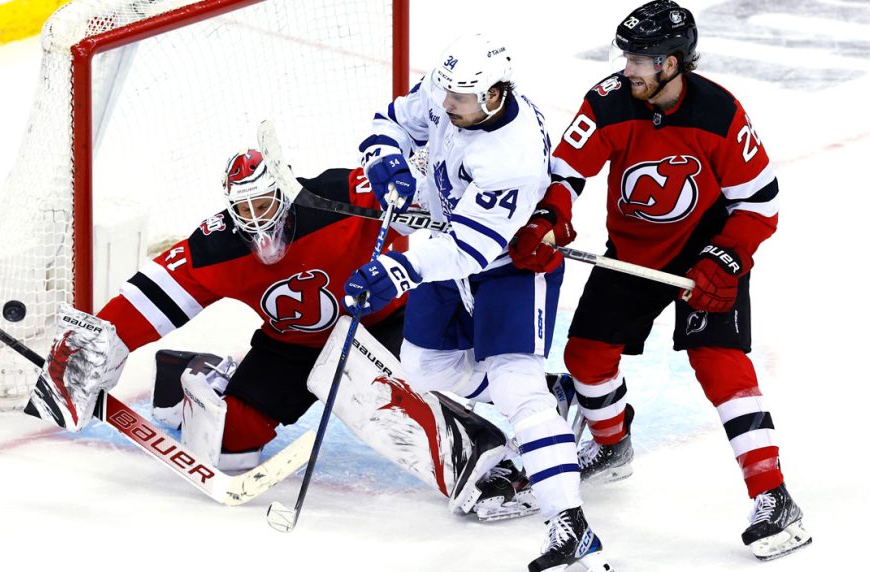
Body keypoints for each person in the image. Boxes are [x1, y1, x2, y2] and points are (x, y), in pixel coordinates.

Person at [33, 148, 536, 521]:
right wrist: (87, 351)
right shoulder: (218, 246)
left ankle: (491, 457)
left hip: (383, 325)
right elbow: (154, 294)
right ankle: (182, 374)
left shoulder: (338, 196)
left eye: (264, 202)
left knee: (405, 396)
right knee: (231, 449)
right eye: (243, 209)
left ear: (284, 188)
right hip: (291, 348)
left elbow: (428, 189)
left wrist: (417, 183)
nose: (256, 219)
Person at [507, 0, 811, 561]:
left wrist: (725, 259)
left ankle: (774, 497)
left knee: (719, 362)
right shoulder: (607, 102)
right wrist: (550, 218)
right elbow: (566, 173)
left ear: (672, 64)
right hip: (634, 251)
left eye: (642, 59)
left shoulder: (721, 114)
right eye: (627, 56)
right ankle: (611, 443)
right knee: (586, 357)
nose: (630, 68)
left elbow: (761, 204)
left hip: (706, 252)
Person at [344, 33, 612, 572]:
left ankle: (572, 526)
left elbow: (472, 248)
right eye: (446, 94)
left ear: (494, 95)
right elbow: (389, 119)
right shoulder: (457, 91)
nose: (446, 106)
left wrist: (398, 270)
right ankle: (556, 396)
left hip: (512, 267)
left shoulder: (508, 157)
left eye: (460, 99)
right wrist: (387, 163)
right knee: (424, 371)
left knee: (516, 386)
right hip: (449, 249)